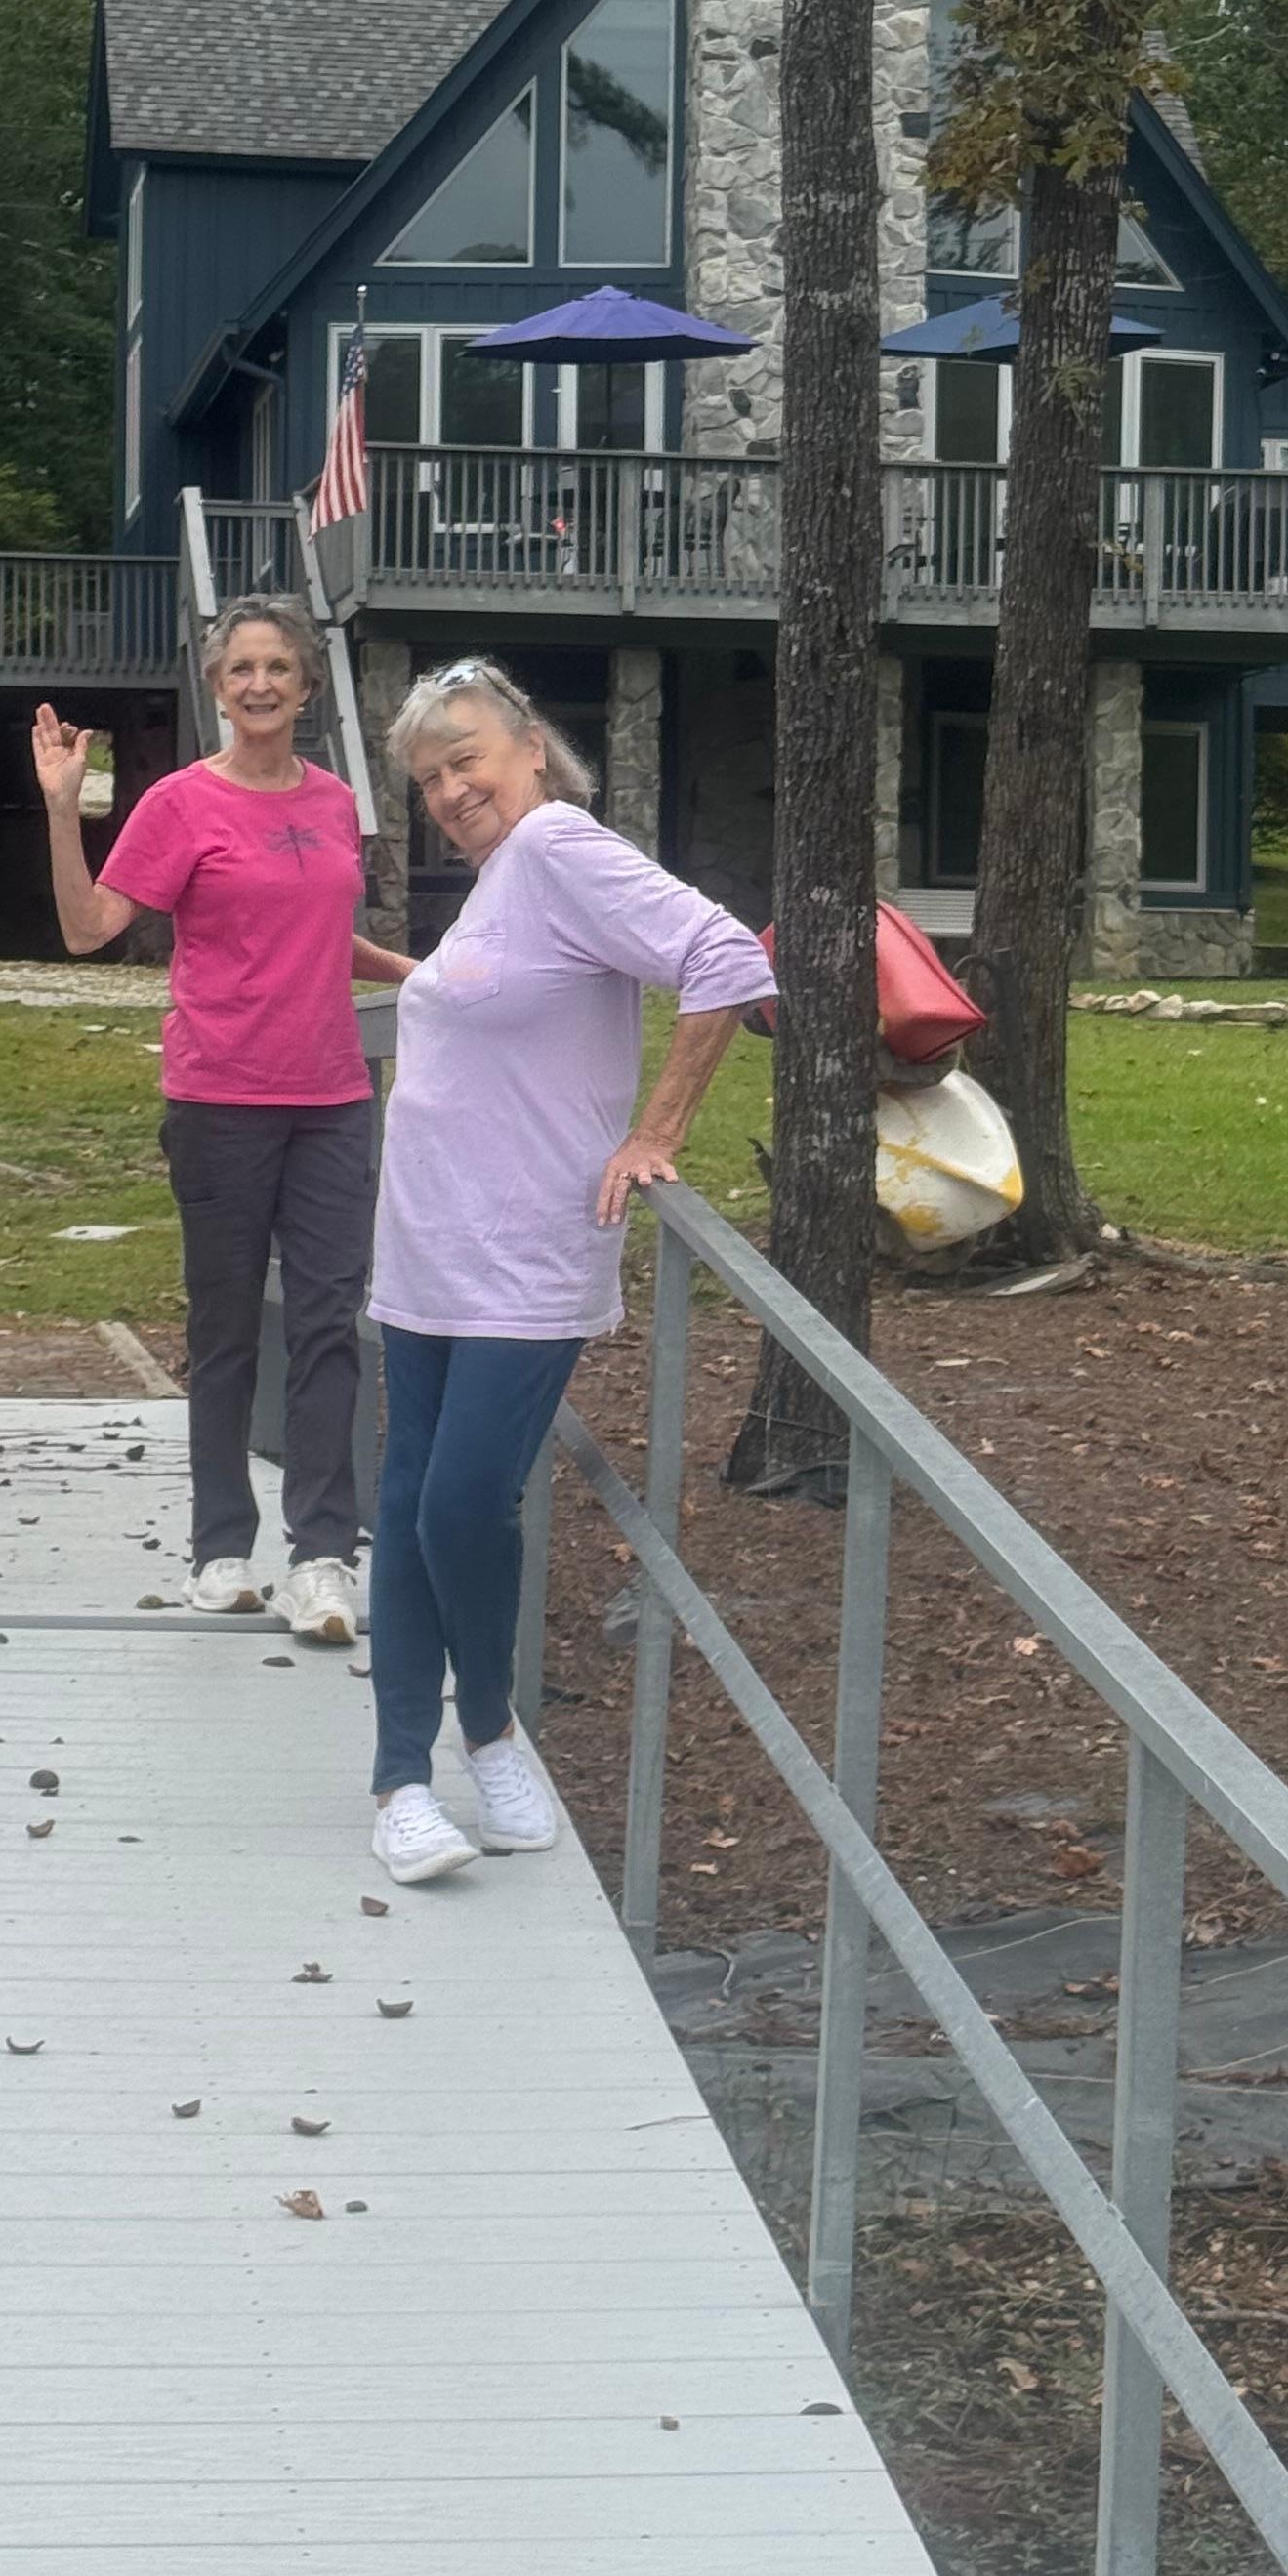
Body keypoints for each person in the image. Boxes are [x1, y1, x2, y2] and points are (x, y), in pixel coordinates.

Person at [363, 656, 771, 1884]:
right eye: (429, 777)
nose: (449, 789)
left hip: (523, 1258)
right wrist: (395, 972)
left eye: (465, 759)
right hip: (428, 1248)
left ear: (530, 749)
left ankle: (486, 1730)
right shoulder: (505, 882)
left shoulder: (556, 847)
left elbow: (726, 960)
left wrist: (657, 1136)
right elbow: (506, 1009)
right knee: (405, 1507)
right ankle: (399, 1784)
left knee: (456, 1507)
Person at [33, 600, 411, 1634]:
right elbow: (84, 930)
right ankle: (220, 1550)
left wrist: (423, 974)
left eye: (277, 668)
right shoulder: (178, 805)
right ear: (218, 685)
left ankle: (324, 1557)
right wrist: (66, 807)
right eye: (241, 668)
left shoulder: (336, 804)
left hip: (334, 1102)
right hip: (219, 1103)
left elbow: (326, 937)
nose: (259, 684)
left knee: (333, 1327)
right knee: (228, 1329)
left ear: (304, 686)